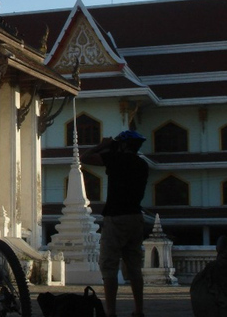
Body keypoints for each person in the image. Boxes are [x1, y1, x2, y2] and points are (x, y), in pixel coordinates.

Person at [81, 130, 149, 317]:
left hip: (116, 218)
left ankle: (111, 312)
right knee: (134, 267)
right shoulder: (142, 164)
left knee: (109, 266)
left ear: (124, 145)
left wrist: (103, 145)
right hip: (136, 217)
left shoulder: (116, 159)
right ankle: (139, 310)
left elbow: (85, 157)